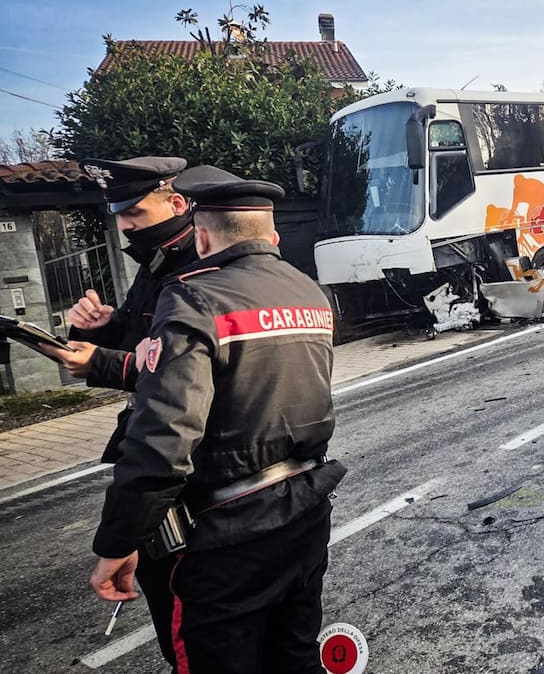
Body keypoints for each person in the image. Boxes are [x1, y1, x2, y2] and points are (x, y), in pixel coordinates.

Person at [85, 165, 346, 673]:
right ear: (270, 235)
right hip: (305, 512)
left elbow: (162, 441)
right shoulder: (308, 292)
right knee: (294, 656)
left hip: (225, 537)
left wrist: (118, 542)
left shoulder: (192, 299)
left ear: (201, 236)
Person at [38, 156, 197, 665]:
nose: (125, 226)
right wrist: (102, 325)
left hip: (181, 455)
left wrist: (104, 363)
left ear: (176, 203)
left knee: (190, 617)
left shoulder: (196, 266)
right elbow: (142, 337)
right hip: (161, 442)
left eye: (134, 213)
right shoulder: (156, 264)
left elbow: (179, 371)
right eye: (118, 216)